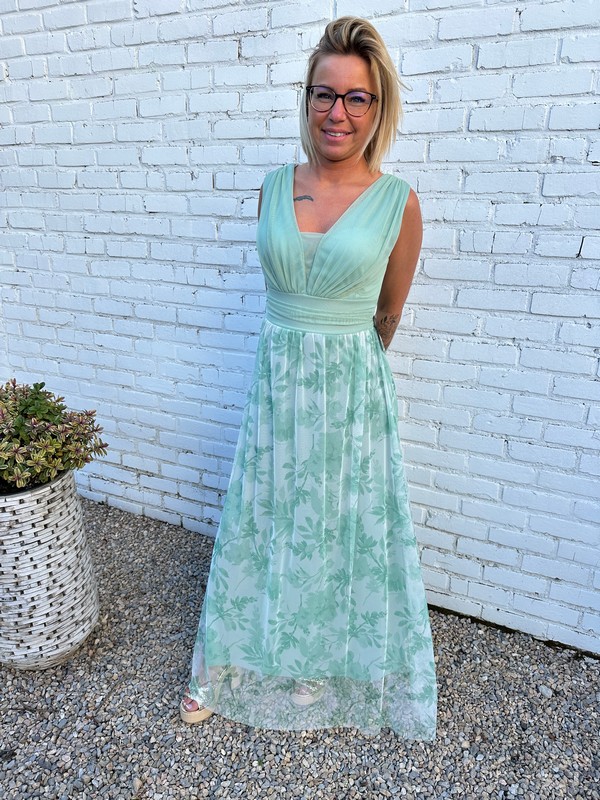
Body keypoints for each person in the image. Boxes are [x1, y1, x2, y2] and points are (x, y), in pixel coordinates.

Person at [180, 16, 437, 739]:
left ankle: (314, 660)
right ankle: (227, 656)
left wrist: (343, 366)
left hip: (349, 388)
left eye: (357, 97)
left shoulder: (398, 202)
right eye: (326, 93)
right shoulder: (272, 188)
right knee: (262, 515)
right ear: (308, 99)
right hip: (278, 385)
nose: (338, 112)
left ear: (378, 109)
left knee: (334, 520)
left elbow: (387, 312)